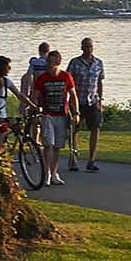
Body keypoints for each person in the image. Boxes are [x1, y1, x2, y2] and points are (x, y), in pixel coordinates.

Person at [28, 49, 76, 186]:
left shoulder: (66, 76)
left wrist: (76, 113)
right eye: (47, 61)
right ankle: (47, 173)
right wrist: (35, 112)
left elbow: (73, 95)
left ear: (57, 62)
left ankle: (54, 173)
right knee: (48, 144)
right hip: (47, 115)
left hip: (61, 115)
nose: (46, 64)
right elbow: (35, 96)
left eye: (49, 62)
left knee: (57, 146)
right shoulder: (42, 78)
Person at [66, 37, 106, 172]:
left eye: (91, 46)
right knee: (74, 130)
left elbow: (99, 82)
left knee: (95, 128)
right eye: (86, 46)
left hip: (92, 101)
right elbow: (68, 81)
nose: (89, 48)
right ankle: (73, 158)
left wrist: (100, 101)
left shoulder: (98, 63)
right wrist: (68, 100)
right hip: (77, 101)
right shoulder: (75, 62)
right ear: (82, 47)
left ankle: (91, 160)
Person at [0, 56, 27, 153]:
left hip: (2, 117)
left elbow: (19, 95)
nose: (10, 69)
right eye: (8, 67)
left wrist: (33, 106)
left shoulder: (7, 81)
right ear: (1, 68)